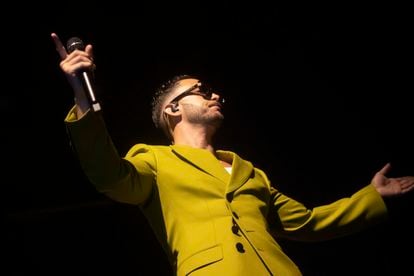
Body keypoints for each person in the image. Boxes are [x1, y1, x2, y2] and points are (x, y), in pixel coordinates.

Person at [51, 32, 414, 276]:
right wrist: (84, 98)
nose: (215, 96)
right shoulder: (155, 161)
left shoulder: (250, 173)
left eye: (215, 92)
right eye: (202, 90)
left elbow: (308, 221)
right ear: (173, 110)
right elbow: (108, 175)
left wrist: (372, 197)